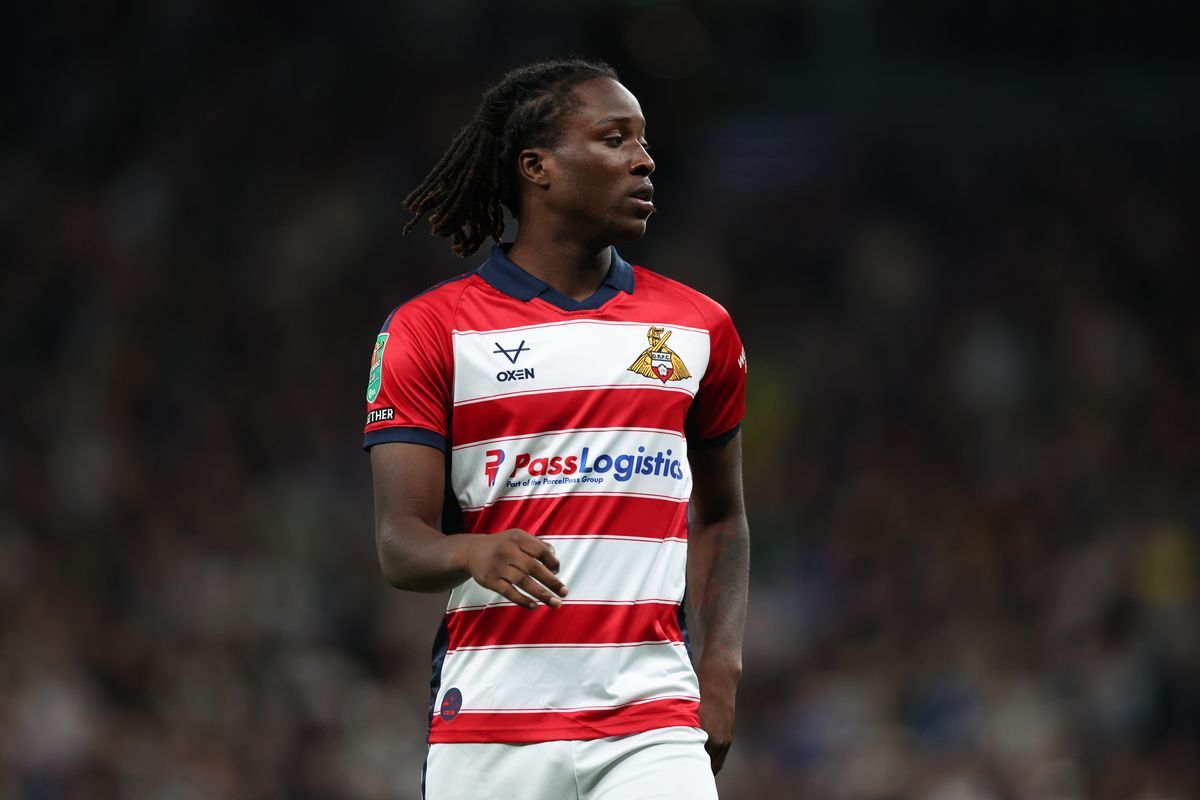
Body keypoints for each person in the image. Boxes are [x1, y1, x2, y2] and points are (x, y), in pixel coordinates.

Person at [364, 58, 749, 799]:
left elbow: (725, 518)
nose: (644, 159)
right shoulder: (429, 330)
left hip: (652, 720)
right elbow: (398, 545)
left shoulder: (700, 328)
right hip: (490, 722)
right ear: (536, 167)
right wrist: (473, 549)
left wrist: (722, 668)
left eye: (643, 141)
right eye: (614, 139)